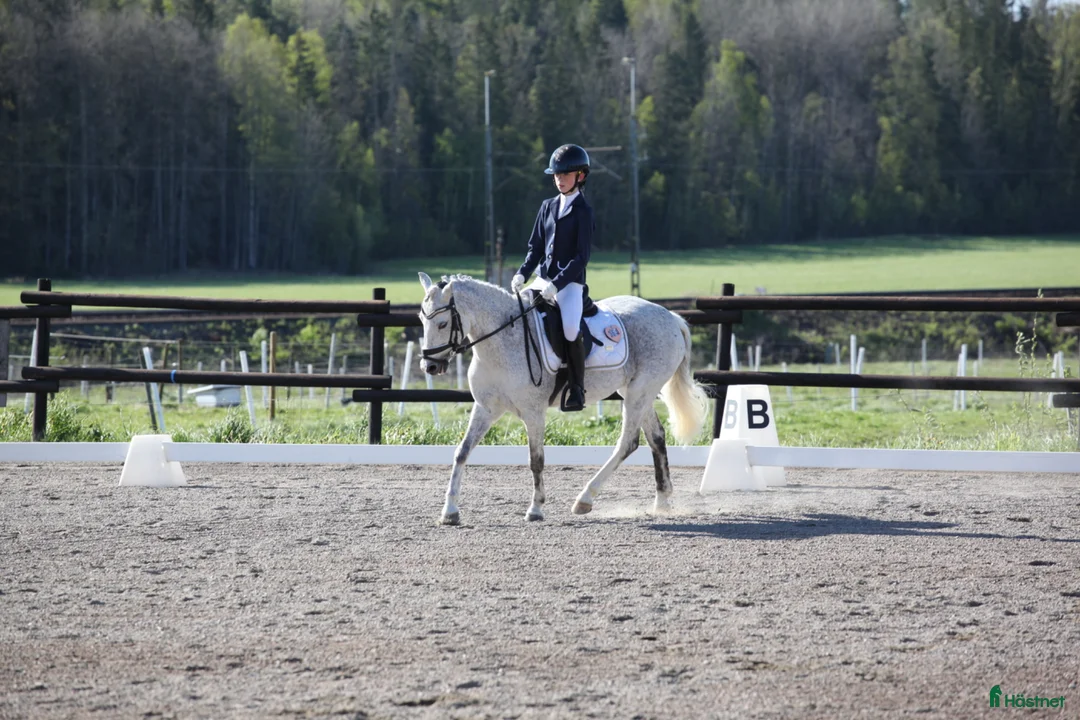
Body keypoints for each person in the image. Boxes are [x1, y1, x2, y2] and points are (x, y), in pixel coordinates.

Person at [511, 143, 593, 411]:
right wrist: (523, 273)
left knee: (570, 328)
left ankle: (577, 389)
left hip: (569, 285)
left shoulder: (583, 211)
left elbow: (581, 257)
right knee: (516, 312)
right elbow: (535, 247)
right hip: (543, 281)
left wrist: (557, 284)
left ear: (580, 176)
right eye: (556, 175)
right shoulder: (547, 206)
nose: (559, 179)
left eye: (565, 175)